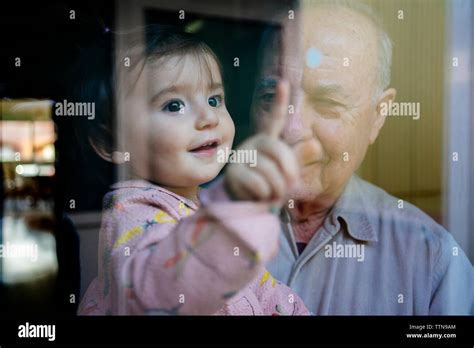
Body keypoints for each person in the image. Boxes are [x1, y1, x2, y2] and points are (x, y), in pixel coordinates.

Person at [250, 0, 474, 314]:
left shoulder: (432, 260)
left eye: (327, 103)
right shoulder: (184, 222)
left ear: (379, 115)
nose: (290, 128)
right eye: (271, 97)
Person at [77, 26, 309, 315]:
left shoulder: (201, 205)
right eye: (174, 105)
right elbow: (167, 287)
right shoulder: (132, 213)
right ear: (110, 141)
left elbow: (264, 290)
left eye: (214, 99)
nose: (209, 117)